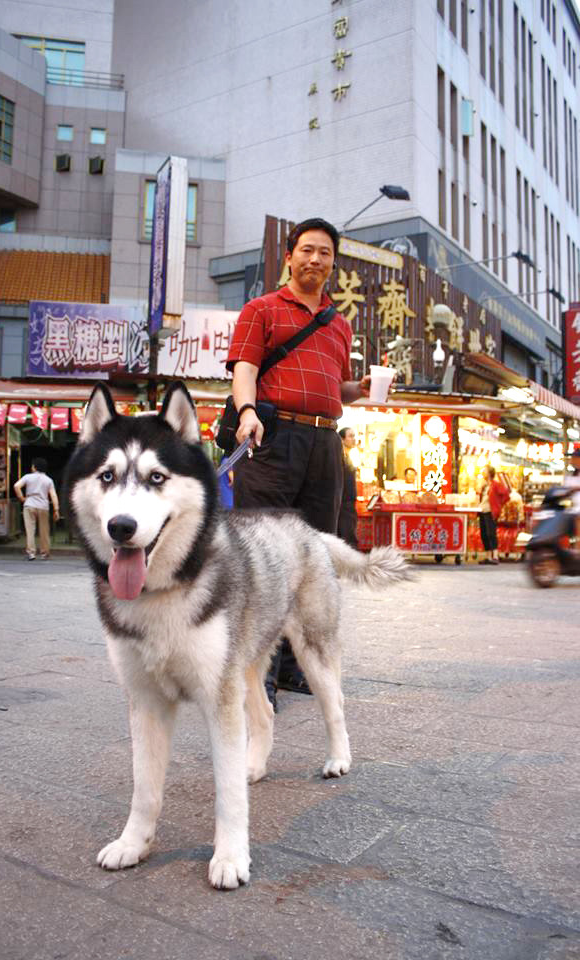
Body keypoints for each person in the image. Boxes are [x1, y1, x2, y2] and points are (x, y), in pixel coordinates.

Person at [226, 216, 383, 709]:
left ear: (333, 263)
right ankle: (259, 679)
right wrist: (247, 411)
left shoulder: (339, 324)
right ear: (290, 257)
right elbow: (246, 369)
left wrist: (357, 390)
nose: (316, 259)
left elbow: (331, 388)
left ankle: (297, 671)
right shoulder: (261, 309)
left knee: (314, 560)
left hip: (324, 445)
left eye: (325, 253)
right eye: (308, 250)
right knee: (265, 559)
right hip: (273, 440)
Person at [14, 457, 60, 560]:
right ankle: (44, 553)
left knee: (30, 530)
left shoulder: (28, 477)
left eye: (32, 465)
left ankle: (31, 553)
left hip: (29, 505)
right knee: (44, 531)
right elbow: (53, 495)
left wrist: (22, 498)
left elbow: (16, 486)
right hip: (43, 506)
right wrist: (56, 509)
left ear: (34, 467)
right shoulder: (48, 480)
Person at [477, 464, 509, 565]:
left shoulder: (496, 484)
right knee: (484, 534)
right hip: (482, 510)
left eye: (485, 471)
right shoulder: (485, 485)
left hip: (490, 511)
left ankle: (495, 556)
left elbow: (506, 495)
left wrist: (498, 505)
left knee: (491, 533)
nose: (483, 472)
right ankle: (488, 556)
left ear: (489, 473)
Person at [338, 426, 358, 547]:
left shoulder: (348, 456)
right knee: (346, 535)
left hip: (348, 502)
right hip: (343, 502)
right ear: (342, 439)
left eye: (354, 436)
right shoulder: (340, 457)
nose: (354, 439)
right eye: (350, 436)